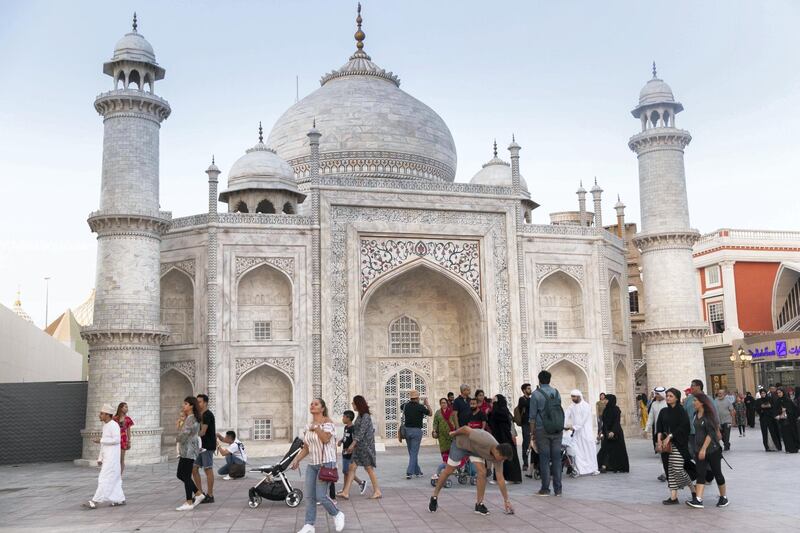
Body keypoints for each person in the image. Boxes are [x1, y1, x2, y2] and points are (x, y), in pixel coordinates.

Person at [428, 426, 514, 516]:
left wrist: (506, 500)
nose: (502, 461)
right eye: (503, 458)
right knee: (448, 471)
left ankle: (479, 504)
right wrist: (454, 433)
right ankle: (434, 497)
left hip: (475, 451)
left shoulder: (498, 459)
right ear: (498, 452)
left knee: (482, 473)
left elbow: (500, 479)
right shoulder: (485, 440)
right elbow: (465, 429)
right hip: (460, 444)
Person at [291, 399, 345, 533]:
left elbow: (326, 439)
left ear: (322, 408)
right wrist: (297, 459)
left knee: (321, 496)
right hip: (312, 464)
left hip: (326, 463)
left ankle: (337, 514)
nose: (312, 405)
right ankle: (309, 525)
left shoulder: (328, 423)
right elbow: (307, 447)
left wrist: (316, 427)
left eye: (316, 404)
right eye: (311, 404)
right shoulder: (307, 426)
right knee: (309, 496)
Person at [686, 393, 728, 509]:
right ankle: (698, 499)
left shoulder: (709, 416)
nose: (693, 403)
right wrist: (698, 449)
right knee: (701, 474)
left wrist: (704, 449)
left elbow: (711, 433)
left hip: (712, 450)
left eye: (695, 401)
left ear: (702, 402)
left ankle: (723, 497)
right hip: (699, 450)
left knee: (717, 473)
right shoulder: (695, 414)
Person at [656, 388, 696, 505]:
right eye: (667, 396)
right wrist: (659, 440)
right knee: (670, 470)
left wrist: (671, 436)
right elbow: (659, 427)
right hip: (665, 445)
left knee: (678, 469)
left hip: (678, 445)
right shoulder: (663, 411)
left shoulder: (681, 411)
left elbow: (684, 427)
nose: (668, 398)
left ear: (677, 398)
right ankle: (673, 497)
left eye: (671, 396)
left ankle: (693, 490)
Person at [82, 404, 125, 509]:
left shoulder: (114, 425)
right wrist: (100, 458)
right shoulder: (106, 426)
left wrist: (100, 440)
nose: (99, 415)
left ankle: (95, 501)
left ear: (108, 415)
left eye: (102, 413)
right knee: (115, 479)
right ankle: (119, 499)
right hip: (107, 458)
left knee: (103, 478)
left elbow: (117, 440)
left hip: (112, 459)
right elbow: (104, 443)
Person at [529, 370, 564, 496]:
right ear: (549, 380)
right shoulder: (556, 392)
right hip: (557, 429)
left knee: (544, 459)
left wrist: (532, 434)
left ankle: (545, 488)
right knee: (556, 459)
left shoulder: (536, 394)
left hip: (542, 429)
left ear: (539, 380)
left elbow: (532, 416)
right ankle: (558, 489)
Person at [339, 396, 381, 499]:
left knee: (368, 468)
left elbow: (361, 432)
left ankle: (377, 491)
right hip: (359, 447)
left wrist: (352, 445)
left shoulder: (365, 416)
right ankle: (346, 492)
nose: (352, 405)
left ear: (358, 404)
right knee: (352, 468)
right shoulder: (360, 416)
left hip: (365, 447)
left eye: (353, 403)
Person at [175, 396, 203, 511]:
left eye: (186, 404)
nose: (184, 406)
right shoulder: (191, 417)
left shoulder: (191, 418)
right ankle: (198, 493)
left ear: (191, 405)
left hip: (188, 450)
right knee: (181, 474)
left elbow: (185, 433)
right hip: (187, 449)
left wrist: (177, 439)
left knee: (185, 475)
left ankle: (189, 502)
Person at [487, 394, 522, 483]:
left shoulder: (501, 410)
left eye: (494, 400)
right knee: (500, 455)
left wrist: (491, 410)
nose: (493, 402)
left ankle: (509, 477)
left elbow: (495, 418)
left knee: (504, 455)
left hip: (503, 436)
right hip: (501, 436)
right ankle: (501, 477)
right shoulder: (501, 410)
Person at [564, 390, 599, 476]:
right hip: (576, 434)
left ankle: (593, 469)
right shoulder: (571, 406)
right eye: (572, 396)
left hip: (586, 433)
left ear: (579, 396)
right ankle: (579, 470)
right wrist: (563, 425)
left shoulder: (586, 406)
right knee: (577, 452)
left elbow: (583, 420)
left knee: (589, 451)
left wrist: (574, 427)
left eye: (574, 397)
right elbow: (565, 415)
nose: (572, 398)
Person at [401, 390, 431, 479]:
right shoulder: (420, 407)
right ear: (417, 398)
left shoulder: (405, 406)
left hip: (407, 431)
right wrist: (427, 404)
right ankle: (409, 472)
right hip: (416, 432)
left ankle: (417, 471)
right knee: (414, 452)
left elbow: (401, 406)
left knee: (412, 452)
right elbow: (430, 413)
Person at [191, 394, 216, 504]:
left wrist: (190, 435)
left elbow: (202, 432)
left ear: (205, 403)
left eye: (199, 402)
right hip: (199, 446)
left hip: (207, 446)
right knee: (194, 469)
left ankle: (210, 495)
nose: (198, 404)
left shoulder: (207, 415)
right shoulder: (199, 415)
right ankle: (200, 494)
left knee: (207, 469)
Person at [597, 394, 629, 473]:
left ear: (610, 400)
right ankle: (604, 466)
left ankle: (611, 466)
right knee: (605, 449)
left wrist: (613, 431)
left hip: (616, 432)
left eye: (606, 400)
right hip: (607, 432)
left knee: (616, 450)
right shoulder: (605, 410)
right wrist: (601, 431)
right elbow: (604, 423)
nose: (604, 401)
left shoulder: (616, 410)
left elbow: (616, 422)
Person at [337, 410, 366, 495]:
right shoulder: (346, 427)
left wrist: (352, 449)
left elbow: (355, 441)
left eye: (344, 417)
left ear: (348, 418)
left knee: (347, 471)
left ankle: (360, 483)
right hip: (345, 452)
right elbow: (345, 437)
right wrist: (341, 441)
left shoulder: (353, 428)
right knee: (345, 472)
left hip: (351, 454)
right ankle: (344, 490)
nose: (342, 418)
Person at [431, 398, 458, 482]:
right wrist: (435, 431)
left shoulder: (452, 413)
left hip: (451, 436)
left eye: (445, 403)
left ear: (447, 403)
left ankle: (453, 468)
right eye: (442, 403)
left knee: (452, 453)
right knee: (445, 454)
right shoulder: (438, 413)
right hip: (442, 437)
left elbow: (456, 423)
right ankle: (447, 468)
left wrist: (457, 431)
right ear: (440, 404)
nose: (443, 404)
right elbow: (435, 423)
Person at [776, 388, 799, 453]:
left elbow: (794, 409)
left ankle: (794, 448)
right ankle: (788, 449)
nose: (779, 394)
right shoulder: (777, 401)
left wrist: (786, 411)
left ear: (783, 392)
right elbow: (775, 410)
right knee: (785, 435)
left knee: (792, 434)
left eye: (780, 392)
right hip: (782, 421)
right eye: (778, 393)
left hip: (790, 420)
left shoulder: (788, 400)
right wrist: (780, 413)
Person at [112, 402, 133, 475]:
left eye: (127, 407)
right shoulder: (114, 418)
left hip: (123, 440)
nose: (127, 409)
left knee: (121, 458)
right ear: (121, 408)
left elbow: (128, 431)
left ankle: (119, 475)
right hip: (115, 440)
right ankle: (114, 473)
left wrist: (129, 441)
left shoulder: (128, 419)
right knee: (115, 458)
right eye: (125, 407)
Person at [516, 383, 532, 471]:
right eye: (528, 389)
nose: (530, 390)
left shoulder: (530, 399)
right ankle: (525, 463)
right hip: (526, 424)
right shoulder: (522, 399)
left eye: (530, 388)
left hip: (533, 424)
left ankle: (534, 463)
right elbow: (528, 405)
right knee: (526, 442)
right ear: (524, 390)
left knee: (534, 443)